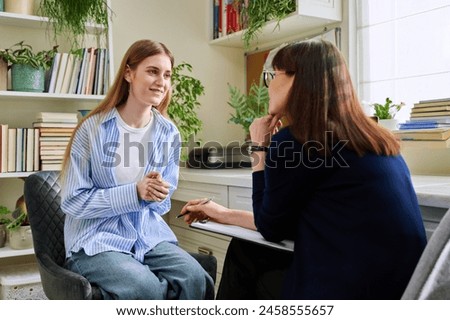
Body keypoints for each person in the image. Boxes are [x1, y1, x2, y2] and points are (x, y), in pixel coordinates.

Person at [181, 39, 427, 300]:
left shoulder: (296, 142)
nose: (269, 86)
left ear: (298, 81)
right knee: (250, 251)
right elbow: (286, 222)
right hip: (402, 291)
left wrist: (259, 147)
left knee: (245, 255)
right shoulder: (375, 139)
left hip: (350, 293)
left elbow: (271, 228)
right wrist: (222, 213)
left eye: (273, 76)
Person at [60, 39, 214, 300]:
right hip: (96, 239)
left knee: (196, 278)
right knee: (146, 289)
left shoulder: (168, 133)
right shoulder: (92, 130)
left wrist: (157, 194)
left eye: (167, 75)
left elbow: (161, 206)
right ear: (129, 74)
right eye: (152, 71)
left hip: (148, 235)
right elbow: (73, 201)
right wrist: (134, 193)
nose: (161, 82)